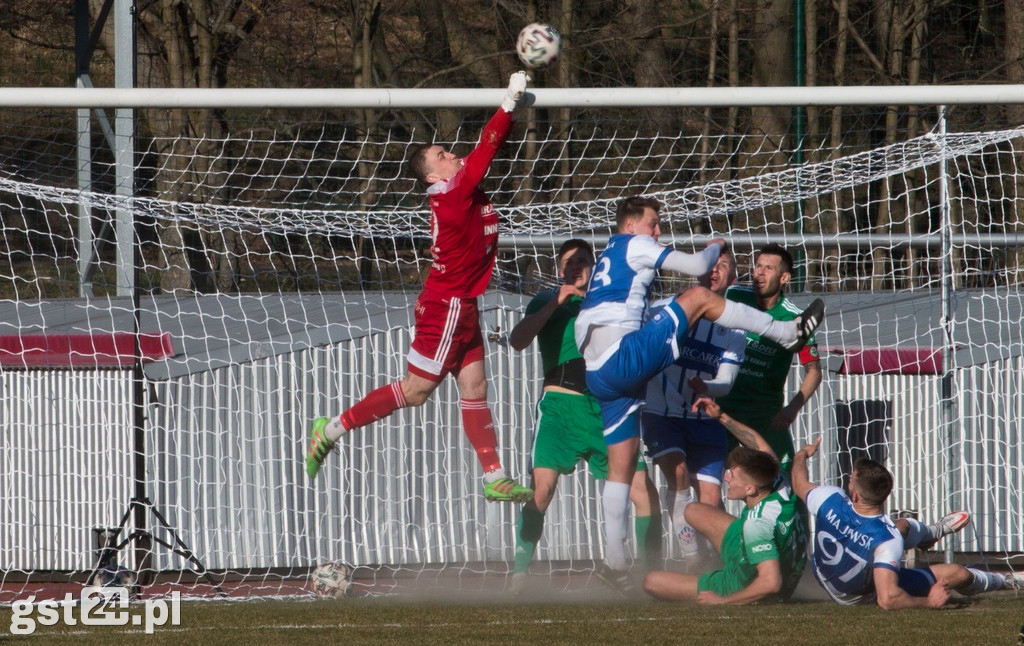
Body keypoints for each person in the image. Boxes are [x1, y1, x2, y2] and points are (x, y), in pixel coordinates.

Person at [305, 72, 534, 504]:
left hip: (463, 304)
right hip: (447, 306)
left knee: (475, 388)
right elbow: (487, 148)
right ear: (433, 177)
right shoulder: (451, 194)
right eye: (443, 154)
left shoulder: (458, 189)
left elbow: (480, 156)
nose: (453, 155)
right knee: (415, 392)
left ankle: (494, 476)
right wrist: (509, 104)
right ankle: (330, 429)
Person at [574, 195, 825, 589]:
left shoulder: (612, 254)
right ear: (629, 225)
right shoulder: (635, 245)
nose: (657, 232)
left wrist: (707, 387)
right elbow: (695, 267)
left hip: (599, 372)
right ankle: (786, 332)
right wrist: (715, 246)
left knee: (620, 467)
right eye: (653, 223)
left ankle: (615, 560)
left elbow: (724, 377)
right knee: (697, 298)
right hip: (625, 364)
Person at [506, 239, 661, 596]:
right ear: (560, 270)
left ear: (596, 267)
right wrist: (555, 304)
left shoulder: (613, 302)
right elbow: (517, 340)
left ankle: (652, 577)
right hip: (560, 408)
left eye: (582, 262)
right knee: (541, 490)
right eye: (568, 263)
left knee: (643, 492)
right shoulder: (545, 300)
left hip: (607, 407)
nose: (575, 268)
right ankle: (518, 577)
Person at [791, 439, 1023, 609]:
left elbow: (798, 481)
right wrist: (929, 602)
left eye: (851, 479)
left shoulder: (829, 498)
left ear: (856, 496)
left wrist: (802, 454)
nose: (848, 481)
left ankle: (935, 532)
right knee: (958, 572)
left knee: (901, 525)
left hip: (822, 573)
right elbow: (888, 598)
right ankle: (1007, 580)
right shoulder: (886, 538)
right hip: (856, 596)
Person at [642, 396, 807, 604]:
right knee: (692, 510)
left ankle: (712, 580)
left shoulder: (757, 526)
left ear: (750, 488)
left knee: (651, 581)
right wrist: (720, 416)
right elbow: (757, 443)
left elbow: (771, 582)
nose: (726, 477)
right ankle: (702, 563)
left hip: (745, 583)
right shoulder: (778, 483)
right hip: (767, 559)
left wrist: (723, 601)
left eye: (733, 476)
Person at [642, 248, 745, 564]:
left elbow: (726, 382)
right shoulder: (664, 311)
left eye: (722, 266)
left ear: (733, 277)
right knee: (678, 471)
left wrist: (708, 387)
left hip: (703, 420)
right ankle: (692, 561)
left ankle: (729, 565)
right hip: (660, 414)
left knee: (711, 503)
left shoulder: (735, 330)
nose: (713, 272)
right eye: (709, 266)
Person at [716, 244, 823, 472]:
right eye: (757, 267)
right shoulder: (734, 296)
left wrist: (792, 409)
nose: (759, 273)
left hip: (764, 416)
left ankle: (798, 508)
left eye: (768, 268)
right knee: (710, 480)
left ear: (784, 277)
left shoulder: (795, 317)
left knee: (782, 480)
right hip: (722, 409)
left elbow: (814, 371)